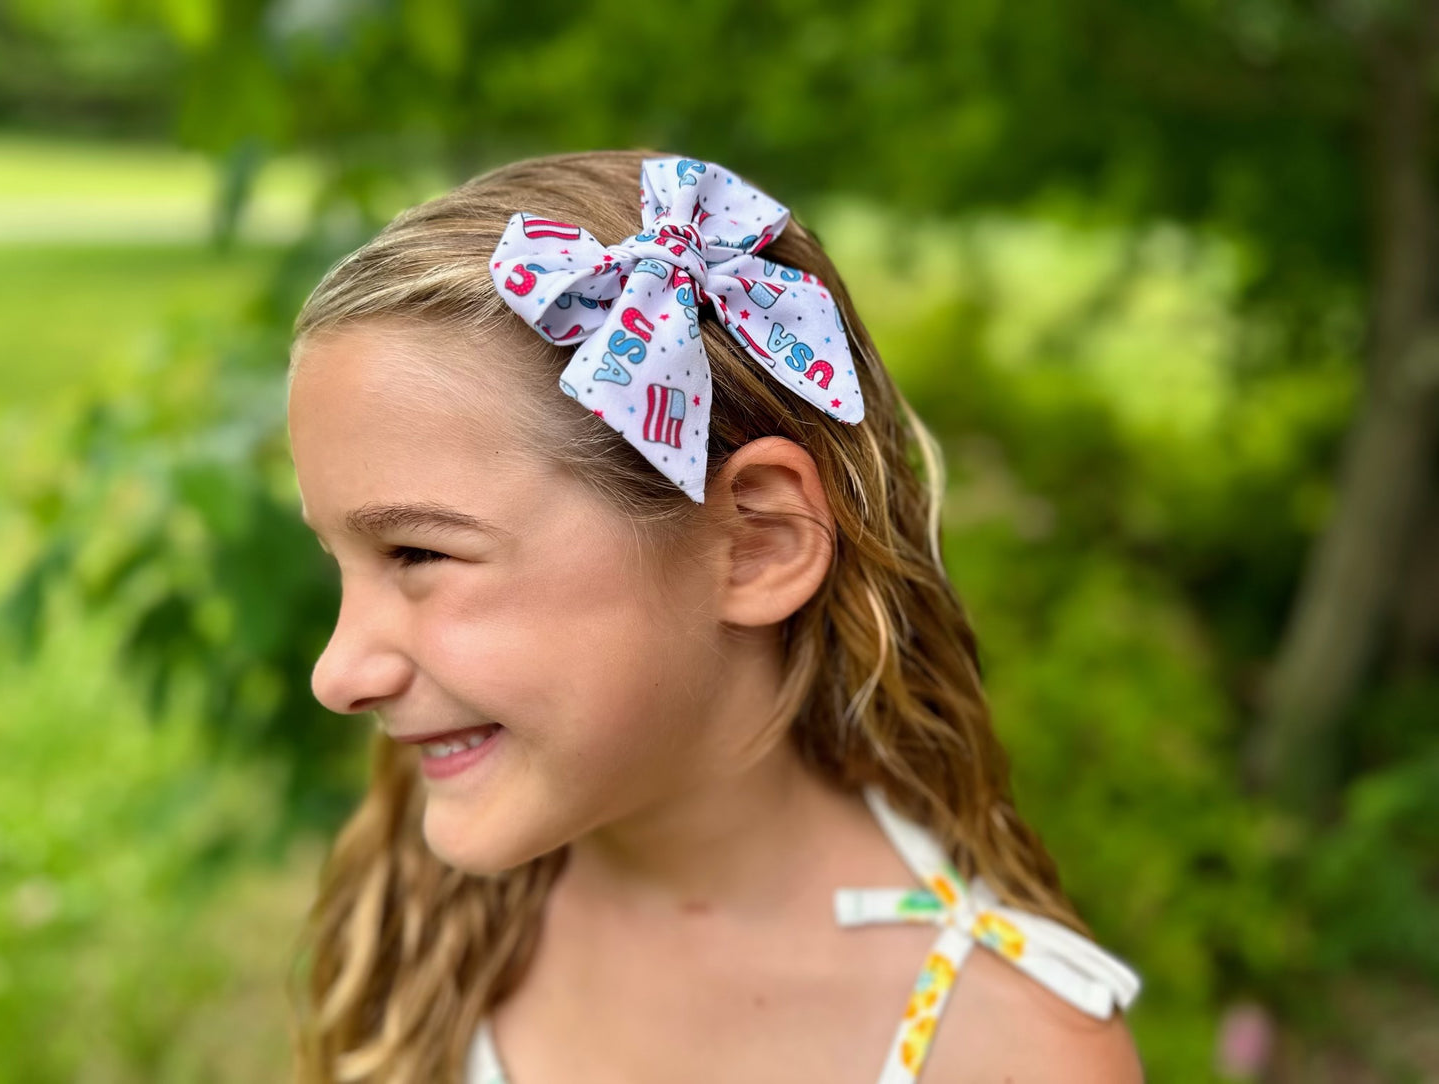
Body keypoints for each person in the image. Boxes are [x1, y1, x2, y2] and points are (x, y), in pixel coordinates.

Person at [286, 150, 1144, 1084]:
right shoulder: (423, 920)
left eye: (417, 554)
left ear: (756, 541)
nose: (337, 675)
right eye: (342, 562)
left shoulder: (1002, 1051)